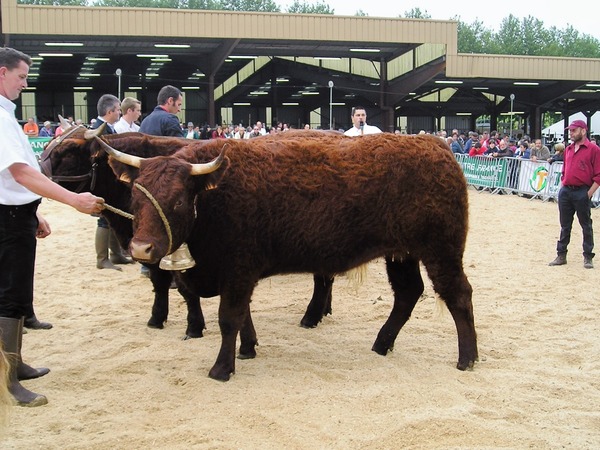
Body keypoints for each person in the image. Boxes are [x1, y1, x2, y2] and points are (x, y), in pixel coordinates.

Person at [0, 47, 104, 406]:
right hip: (7, 219)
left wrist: (33, 211)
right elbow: (22, 172)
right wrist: (73, 200)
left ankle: (14, 364)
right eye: (21, 76)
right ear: (2, 73)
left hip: (16, 215)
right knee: (10, 297)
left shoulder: (5, 115)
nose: (25, 84)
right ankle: (8, 381)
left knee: (16, 292)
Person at [549, 120, 600, 269]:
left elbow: (598, 174)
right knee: (565, 225)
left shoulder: (594, 149)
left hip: (582, 191)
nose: (570, 133)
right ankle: (561, 254)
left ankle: (588, 256)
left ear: (583, 131)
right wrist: (564, 182)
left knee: (586, 224)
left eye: (574, 130)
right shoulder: (569, 149)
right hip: (566, 190)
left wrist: (588, 193)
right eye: (570, 130)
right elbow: (565, 168)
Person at [91, 94, 133, 271]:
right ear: (109, 111)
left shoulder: (106, 128)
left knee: (113, 217)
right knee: (103, 220)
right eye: (117, 110)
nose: (119, 113)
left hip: (111, 181)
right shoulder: (98, 130)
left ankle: (116, 254)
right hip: (104, 182)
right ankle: (102, 259)